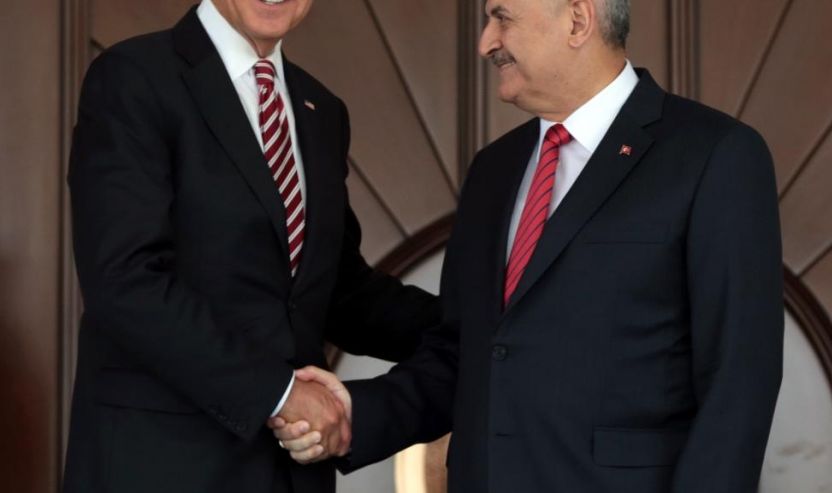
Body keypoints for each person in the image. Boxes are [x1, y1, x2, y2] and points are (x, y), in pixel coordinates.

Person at [273, 0, 784, 491]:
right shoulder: (494, 170)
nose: (485, 42)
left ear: (578, 20)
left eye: (502, 18)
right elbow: (467, 353)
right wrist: (354, 415)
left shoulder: (714, 155)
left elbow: (739, 380)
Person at [63, 0, 439, 492]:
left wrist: (485, 327)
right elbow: (125, 279)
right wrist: (279, 395)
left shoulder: (321, 109)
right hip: (161, 463)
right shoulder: (133, 76)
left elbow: (334, 290)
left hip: (289, 472)